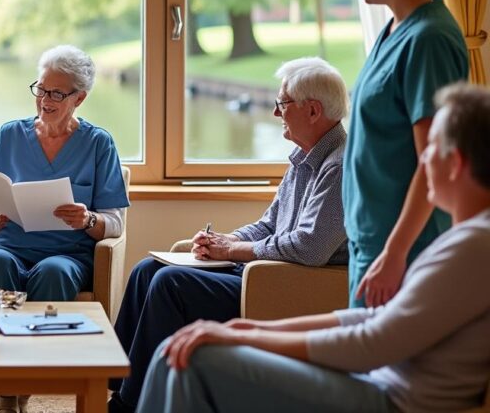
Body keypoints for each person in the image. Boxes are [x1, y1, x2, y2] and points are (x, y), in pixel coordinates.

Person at [139, 82, 490, 413]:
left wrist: (248, 337)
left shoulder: (474, 247)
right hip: (377, 382)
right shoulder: (466, 240)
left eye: (431, 148)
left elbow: (372, 344)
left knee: (192, 356)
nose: (422, 159)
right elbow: (373, 318)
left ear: (456, 162)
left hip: (389, 398)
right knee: (179, 348)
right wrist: (243, 329)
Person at [107, 57, 350, 413]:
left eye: (282, 104)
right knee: (147, 270)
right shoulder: (304, 156)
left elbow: (309, 249)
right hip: (265, 270)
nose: (274, 113)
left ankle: (128, 406)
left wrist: (234, 251)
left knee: (169, 285)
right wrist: (225, 239)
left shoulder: (339, 166)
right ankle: (115, 382)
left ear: (313, 111)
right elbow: (269, 224)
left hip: (286, 284)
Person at [0, 45, 129, 413]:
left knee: (53, 272)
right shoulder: (8, 135)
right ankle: (5, 389)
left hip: (66, 253)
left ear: (80, 97)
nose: (45, 99)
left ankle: (25, 385)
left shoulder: (98, 143)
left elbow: (115, 221)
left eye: (57, 93)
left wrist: (87, 219)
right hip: (6, 245)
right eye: (41, 89)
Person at [337, 0, 469, 308]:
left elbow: (434, 160)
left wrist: (394, 255)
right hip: (373, 244)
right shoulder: (393, 31)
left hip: (405, 251)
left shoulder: (428, 40)